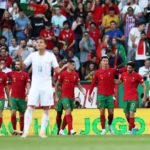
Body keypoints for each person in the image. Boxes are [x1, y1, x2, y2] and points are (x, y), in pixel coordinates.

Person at [20, 38, 67, 138]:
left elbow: (57, 71)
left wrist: (64, 66)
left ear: (45, 45)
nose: (38, 44)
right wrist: (20, 56)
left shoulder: (50, 56)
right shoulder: (33, 55)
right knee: (30, 107)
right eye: (37, 42)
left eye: (41, 42)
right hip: (35, 85)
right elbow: (23, 67)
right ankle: (25, 132)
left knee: (46, 108)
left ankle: (42, 132)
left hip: (46, 85)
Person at [88, 56, 118, 135]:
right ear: (101, 62)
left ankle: (110, 125)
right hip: (101, 95)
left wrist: (129, 66)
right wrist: (89, 94)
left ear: (108, 62)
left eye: (106, 61)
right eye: (104, 60)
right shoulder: (97, 72)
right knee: (102, 111)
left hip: (110, 95)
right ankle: (103, 129)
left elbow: (122, 70)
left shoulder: (112, 70)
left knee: (111, 113)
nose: (105, 62)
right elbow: (93, 84)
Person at [55, 60, 85, 135]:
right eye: (72, 65)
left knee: (67, 113)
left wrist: (82, 90)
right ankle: (71, 129)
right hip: (63, 96)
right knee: (66, 111)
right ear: (68, 65)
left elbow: (78, 84)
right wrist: (56, 95)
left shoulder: (75, 74)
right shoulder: (63, 74)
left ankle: (61, 130)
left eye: (74, 65)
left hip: (71, 97)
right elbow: (57, 84)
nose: (74, 66)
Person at [119, 61, 147, 134]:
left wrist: (144, 96)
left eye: (130, 68)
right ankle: (133, 127)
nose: (128, 69)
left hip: (134, 98)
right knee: (127, 115)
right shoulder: (123, 75)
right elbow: (120, 81)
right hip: (125, 98)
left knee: (131, 112)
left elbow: (144, 85)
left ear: (133, 69)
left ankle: (129, 131)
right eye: (127, 68)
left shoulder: (137, 76)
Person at [7, 60, 30, 135]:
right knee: (13, 113)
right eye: (15, 64)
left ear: (21, 66)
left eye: (18, 64)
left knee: (21, 115)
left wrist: (28, 94)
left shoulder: (25, 75)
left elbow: (28, 84)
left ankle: (21, 131)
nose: (16, 65)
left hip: (22, 98)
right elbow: (3, 75)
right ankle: (14, 130)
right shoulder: (11, 73)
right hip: (13, 97)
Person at [0, 62, 10, 136]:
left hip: (1, 98)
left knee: (0, 113)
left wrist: (9, 100)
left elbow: (6, 88)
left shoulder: (4, 75)